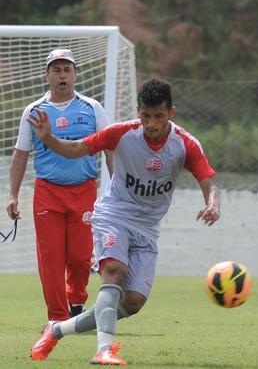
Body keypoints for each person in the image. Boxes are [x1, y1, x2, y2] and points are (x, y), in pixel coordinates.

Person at [28, 78, 220, 365]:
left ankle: (56, 330)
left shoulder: (185, 144)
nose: (151, 123)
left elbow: (209, 182)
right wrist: (49, 140)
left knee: (131, 302)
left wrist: (212, 205)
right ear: (137, 110)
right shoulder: (121, 133)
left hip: (147, 228)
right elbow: (78, 148)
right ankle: (103, 350)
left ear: (172, 112)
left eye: (158, 116)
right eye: (145, 115)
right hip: (113, 215)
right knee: (114, 273)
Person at [6, 49, 113, 322]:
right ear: (47, 75)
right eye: (56, 70)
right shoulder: (33, 111)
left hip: (84, 191)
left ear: (75, 74)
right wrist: (12, 196)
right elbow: (20, 155)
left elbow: (109, 150)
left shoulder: (92, 108)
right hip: (47, 193)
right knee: (51, 258)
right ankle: (56, 316)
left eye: (67, 69)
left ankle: (76, 301)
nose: (62, 75)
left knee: (79, 258)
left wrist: (115, 189)